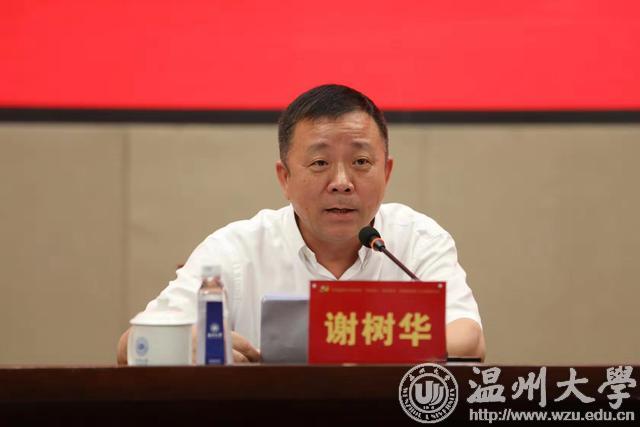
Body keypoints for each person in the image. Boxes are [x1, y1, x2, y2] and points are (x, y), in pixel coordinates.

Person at [117, 84, 485, 364]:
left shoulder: (417, 240)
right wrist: (191, 343)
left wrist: (339, 341)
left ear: (386, 172)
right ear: (285, 178)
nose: (342, 182)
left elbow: (467, 339)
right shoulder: (235, 251)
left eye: (360, 162)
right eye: (320, 163)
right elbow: (132, 345)